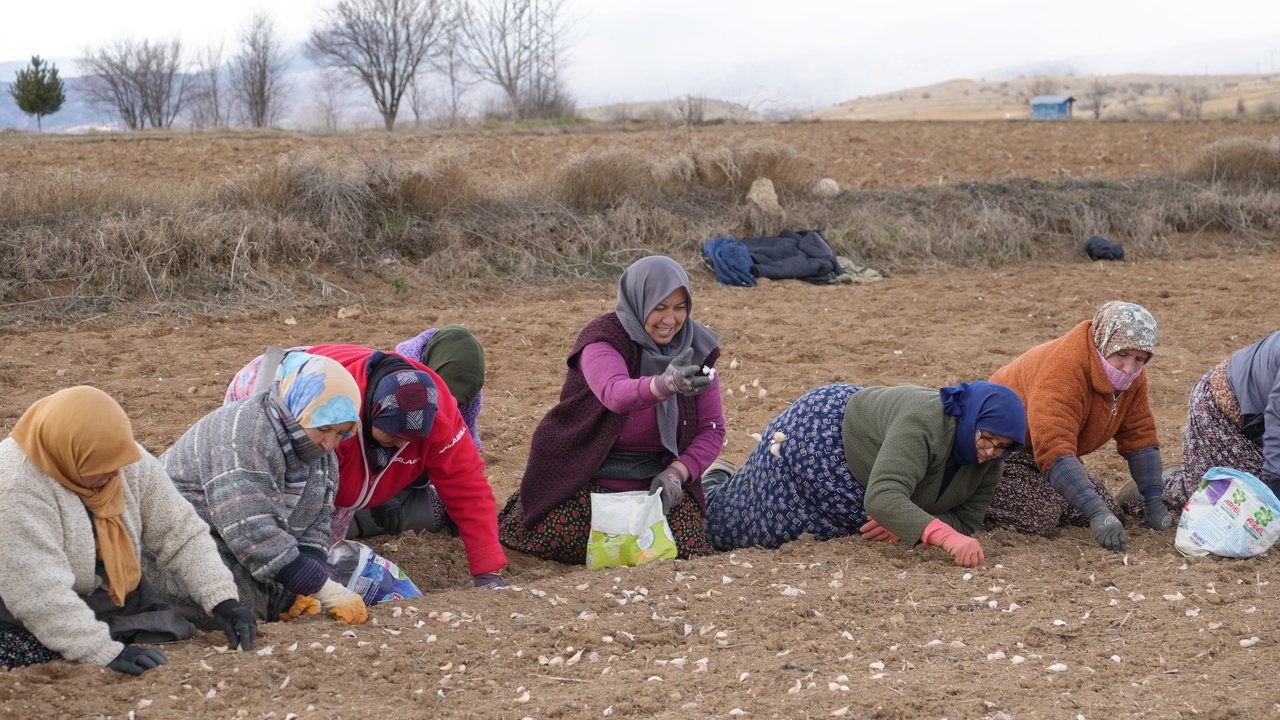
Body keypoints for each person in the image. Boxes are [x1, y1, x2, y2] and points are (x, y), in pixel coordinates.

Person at [0, 387, 256, 674]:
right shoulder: (15, 487)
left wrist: (222, 598)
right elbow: (37, 593)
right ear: (70, 455)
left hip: (94, 593)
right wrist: (103, 653)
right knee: (33, 651)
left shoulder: (123, 460)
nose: (114, 475)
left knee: (169, 628)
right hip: (16, 600)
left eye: (117, 465)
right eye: (98, 468)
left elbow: (181, 532)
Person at [497, 255, 726, 564]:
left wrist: (677, 473)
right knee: (563, 540)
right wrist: (666, 384)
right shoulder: (603, 339)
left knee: (682, 547)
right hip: (588, 471)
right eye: (659, 307)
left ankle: (713, 481)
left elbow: (712, 430)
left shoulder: (697, 349)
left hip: (655, 483)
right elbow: (614, 393)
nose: (669, 320)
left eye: (679, 308)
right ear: (638, 301)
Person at [225, 344, 508, 590]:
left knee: (327, 544)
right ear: (370, 417)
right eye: (393, 436)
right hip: (273, 385)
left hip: (347, 422)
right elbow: (308, 493)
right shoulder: (334, 412)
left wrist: (488, 571)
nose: (399, 446)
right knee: (274, 508)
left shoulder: (440, 418)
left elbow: (468, 487)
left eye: (408, 442)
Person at [703, 382, 1026, 568]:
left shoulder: (992, 461)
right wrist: (943, 536)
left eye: (1002, 447)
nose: (989, 452)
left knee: (837, 531)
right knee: (739, 529)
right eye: (985, 439)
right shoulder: (925, 423)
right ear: (970, 420)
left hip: (858, 485)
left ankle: (724, 478)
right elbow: (883, 497)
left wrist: (907, 523)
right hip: (819, 443)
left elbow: (968, 517)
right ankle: (713, 480)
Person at [153, 352, 369, 626]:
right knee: (240, 610)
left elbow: (317, 522)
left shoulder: (319, 456)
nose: (329, 443)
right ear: (297, 408)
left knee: (277, 600)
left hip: (234, 547)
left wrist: (304, 588)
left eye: (340, 433)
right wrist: (325, 589)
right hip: (175, 542)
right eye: (324, 428)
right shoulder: (243, 435)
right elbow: (251, 530)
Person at [984, 301, 1174, 554]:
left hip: (1051, 456)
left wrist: (1154, 502)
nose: (1130, 368)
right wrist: (1095, 510)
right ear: (1104, 342)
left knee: (1111, 512)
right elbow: (1053, 445)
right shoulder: (1064, 367)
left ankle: (1050, 492)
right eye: (1122, 355)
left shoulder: (1134, 379)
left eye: (1140, 359)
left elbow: (1139, 435)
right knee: (1041, 515)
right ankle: (969, 503)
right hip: (1000, 451)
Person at [345, 325, 488, 539]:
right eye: (444, 399)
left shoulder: (460, 407)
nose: (448, 409)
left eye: (456, 403)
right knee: (337, 518)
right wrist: (380, 496)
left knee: (432, 514)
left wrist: (458, 507)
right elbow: (336, 456)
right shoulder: (388, 386)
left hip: (404, 486)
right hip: (355, 480)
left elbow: (460, 465)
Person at [1161, 330, 1280, 511]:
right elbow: (1277, 421)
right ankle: (1159, 487)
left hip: (1257, 417)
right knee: (1240, 504)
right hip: (1219, 407)